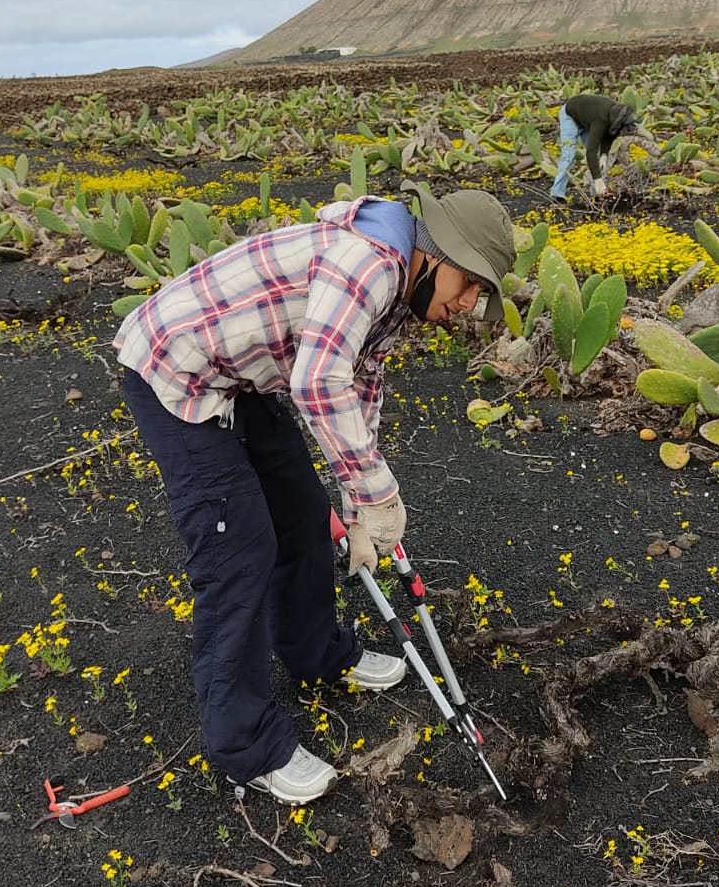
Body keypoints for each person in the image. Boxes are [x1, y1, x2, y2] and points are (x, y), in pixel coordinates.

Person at [114, 182, 516, 805]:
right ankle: (247, 748)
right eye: (468, 284)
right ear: (436, 255)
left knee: (302, 514)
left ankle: (317, 653)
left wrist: (359, 510)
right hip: (178, 369)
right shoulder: (372, 264)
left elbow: (360, 384)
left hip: (244, 377)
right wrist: (381, 494)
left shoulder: (398, 281)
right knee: (237, 552)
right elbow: (320, 381)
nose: (468, 304)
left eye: (480, 296)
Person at [549, 91, 648, 203]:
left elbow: (609, 137)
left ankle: (598, 193)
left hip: (586, 120)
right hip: (570, 116)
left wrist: (604, 154)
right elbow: (591, 151)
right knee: (569, 156)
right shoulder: (601, 120)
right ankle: (557, 193)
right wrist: (598, 179)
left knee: (600, 159)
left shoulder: (617, 117)